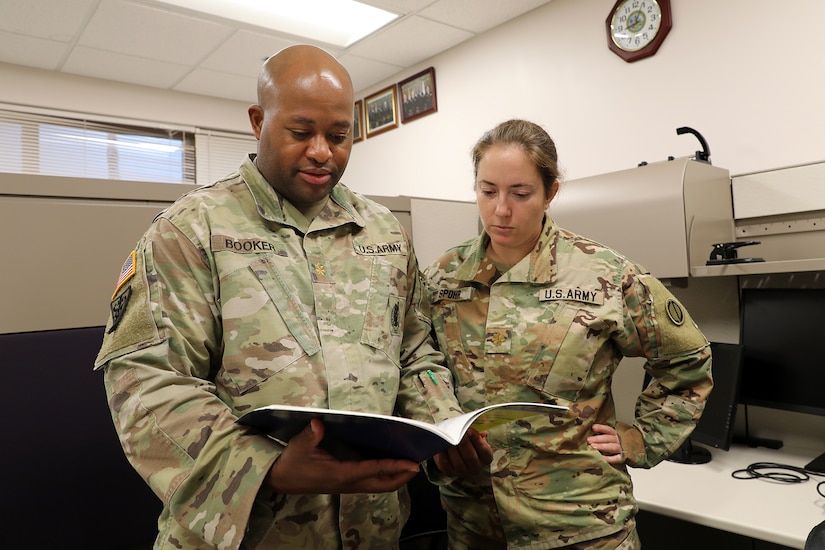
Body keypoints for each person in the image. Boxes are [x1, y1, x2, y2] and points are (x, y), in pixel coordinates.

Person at [94, 45, 490, 550]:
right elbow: (144, 382)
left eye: (339, 135)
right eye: (301, 133)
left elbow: (413, 351)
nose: (323, 150)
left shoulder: (383, 231)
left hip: (372, 531)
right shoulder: (192, 230)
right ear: (259, 120)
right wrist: (268, 466)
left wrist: (442, 430)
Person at [423, 119, 713, 549]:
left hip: (581, 524)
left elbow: (688, 360)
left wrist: (642, 438)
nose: (501, 209)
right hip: (475, 525)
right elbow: (419, 367)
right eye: (488, 191)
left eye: (520, 193)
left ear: (550, 192)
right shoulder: (441, 279)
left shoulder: (605, 275)